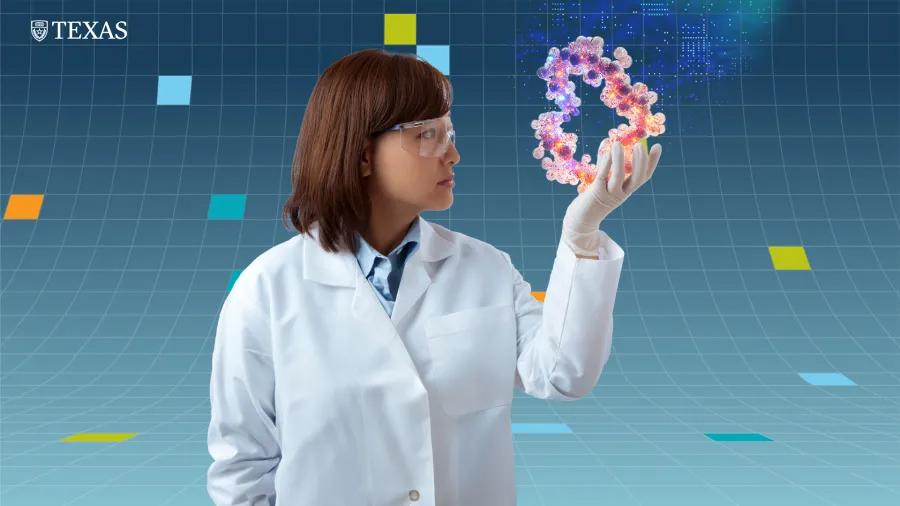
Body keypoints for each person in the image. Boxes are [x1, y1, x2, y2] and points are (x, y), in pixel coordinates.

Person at [207, 48, 661, 506]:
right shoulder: (267, 290)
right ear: (362, 154)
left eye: (450, 133)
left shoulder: (485, 270)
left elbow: (564, 375)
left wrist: (582, 235)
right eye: (427, 135)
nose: (454, 154)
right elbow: (242, 469)